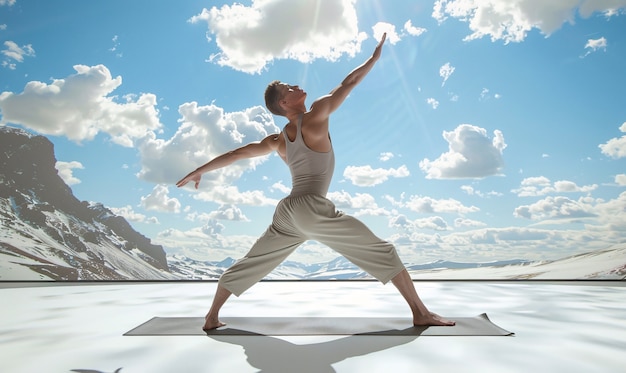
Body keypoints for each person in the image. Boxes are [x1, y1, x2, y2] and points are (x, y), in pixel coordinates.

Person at [176, 33, 455, 330]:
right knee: (383, 252)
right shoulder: (316, 116)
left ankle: (211, 317)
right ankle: (421, 313)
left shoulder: (277, 140)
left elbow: (237, 154)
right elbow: (348, 84)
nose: (296, 86)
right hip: (310, 207)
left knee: (253, 261)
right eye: (289, 88)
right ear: (285, 102)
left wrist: (199, 170)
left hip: (287, 213)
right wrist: (373, 59)